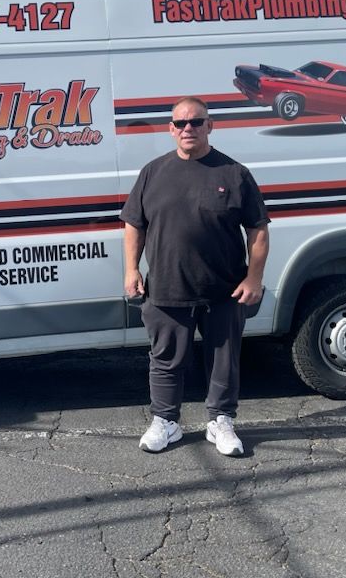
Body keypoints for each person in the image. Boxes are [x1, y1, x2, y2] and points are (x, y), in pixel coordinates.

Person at [120, 96, 269, 455]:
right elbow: (133, 224)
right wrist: (131, 269)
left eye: (196, 122)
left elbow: (258, 231)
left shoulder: (234, 174)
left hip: (224, 290)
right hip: (167, 288)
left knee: (223, 360)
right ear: (171, 130)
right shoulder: (153, 172)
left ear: (210, 126)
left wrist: (253, 279)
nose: (189, 128)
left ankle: (220, 422)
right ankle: (166, 422)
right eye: (181, 123)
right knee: (165, 358)